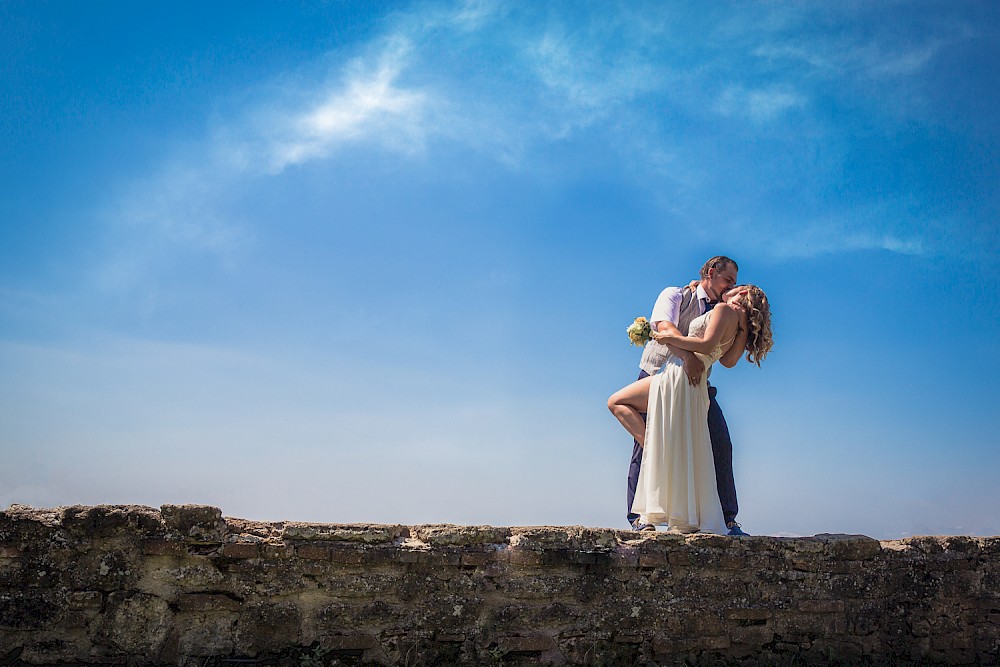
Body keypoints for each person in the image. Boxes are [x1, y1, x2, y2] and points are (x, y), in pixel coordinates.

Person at [609, 284, 773, 533]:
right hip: (696, 387)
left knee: (617, 402)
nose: (730, 286)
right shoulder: (741, 327)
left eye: (735, 284)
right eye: (728, 279)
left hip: (678, 377)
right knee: (694, 446)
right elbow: (728, 362)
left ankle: (653, 463)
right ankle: (691, 516)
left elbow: (705, 345)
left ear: (741, 294)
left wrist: (666, 338)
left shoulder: (722, 309)